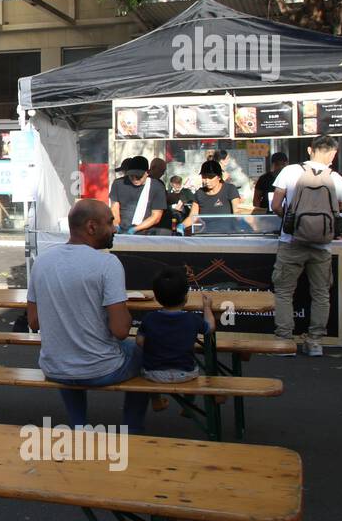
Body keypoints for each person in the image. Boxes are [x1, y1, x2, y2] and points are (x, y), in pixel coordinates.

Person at [27, 198, 148, 433]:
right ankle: (133, 429)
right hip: (102, 369)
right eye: (110, 223)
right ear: (92, 227)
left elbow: (33, 322)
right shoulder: (107, 263)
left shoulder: (41, 262)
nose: (114, 229)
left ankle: (78, 425)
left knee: (67, 349)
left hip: (54, 368)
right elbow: (121, 331)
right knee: (144, 351)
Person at [271, 135, 342, 357]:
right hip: (322, 245)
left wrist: (292, 224)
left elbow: (276, 205)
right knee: (321, 293)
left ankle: (285, 341)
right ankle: (315, 342)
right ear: (333, 153)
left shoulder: (290, 171)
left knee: (284, 292)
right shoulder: (337, 179)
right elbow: (339, 214)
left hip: (291, 241)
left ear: (309, 150)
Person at [137, 268, 216, 383]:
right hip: (186, 374)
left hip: (153, 374)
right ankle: (189, 398)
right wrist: (207, 307)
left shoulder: (149, 318)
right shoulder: (192, 319)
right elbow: (210, 327)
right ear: (186, 297)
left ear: (157, 297)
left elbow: (139, 341)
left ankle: (156, 399)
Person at [109, 156, 166, 235]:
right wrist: (116, 225)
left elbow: (156, 216)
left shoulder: (157, 187)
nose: (135, 179)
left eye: (139, 177)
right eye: (131, 176)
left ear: (147, 172)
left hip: (145, 232)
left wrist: (135, 229)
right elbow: (114, 209)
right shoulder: (118, 184)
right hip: (121, 230)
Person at [182, 159, 241, 231]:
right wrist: (181, 226)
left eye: (210, 177)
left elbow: (237, 213)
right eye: (204, 177)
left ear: (219, 177)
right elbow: (192, 217)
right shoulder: (199, 193)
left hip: (227, 236)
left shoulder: (230, 189)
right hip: (205, 237)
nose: (207, 181)